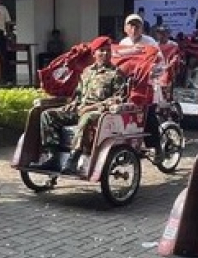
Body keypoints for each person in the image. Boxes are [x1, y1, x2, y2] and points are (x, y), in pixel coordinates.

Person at [32, 36, 127, 173]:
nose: (105, 54)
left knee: (86, 118)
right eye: (101, 51)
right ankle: (51, 155)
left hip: (99, 112)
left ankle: (73, 158)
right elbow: (78, 93)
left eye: (108, 51)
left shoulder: (116, 74)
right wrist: (73, 104)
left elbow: (117, 98)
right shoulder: (87, 72)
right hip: (81, 108)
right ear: (94, 53)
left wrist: (92, 107)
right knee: (48, 115)